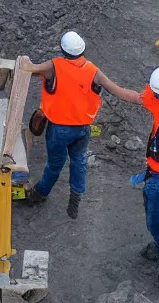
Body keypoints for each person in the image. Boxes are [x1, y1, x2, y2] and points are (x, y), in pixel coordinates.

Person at [21, 31, 139, 219]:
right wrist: (149, 99)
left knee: (54, 165)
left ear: (62, 49)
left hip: (59, 129)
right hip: (83, 129)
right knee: (79, 161)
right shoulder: (93, 70)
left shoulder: (53, 66)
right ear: (82, 49)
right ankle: (76, 195)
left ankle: (39, 194)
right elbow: (121, 92)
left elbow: (28, 69)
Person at [103, 66, 159, 285]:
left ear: (154, 90)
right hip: (157, 177)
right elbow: (131, 96)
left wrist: (101, 79)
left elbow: (129, 95)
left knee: (158, 224)